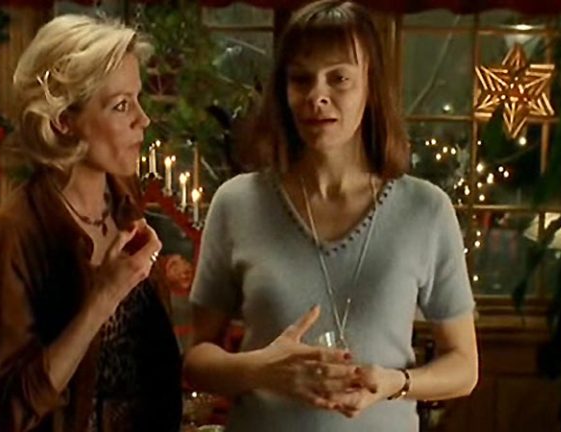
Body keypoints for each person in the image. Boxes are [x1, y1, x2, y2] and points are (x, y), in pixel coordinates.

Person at [184, 1, 479, 430]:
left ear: (370, 85)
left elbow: (465, 367)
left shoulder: (426, 210)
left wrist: (395, 383)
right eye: (301, 79)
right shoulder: (237, 203)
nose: (316, 96)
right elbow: (197, 361)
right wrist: (263, 369)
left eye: (339, 78)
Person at [0, 15, 182, 432]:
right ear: (63, 121)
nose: (143, 119)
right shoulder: (13, 233)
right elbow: (15, 412)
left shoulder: (126, 206)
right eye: (121, 105)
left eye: (138, 100)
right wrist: (103, 296)